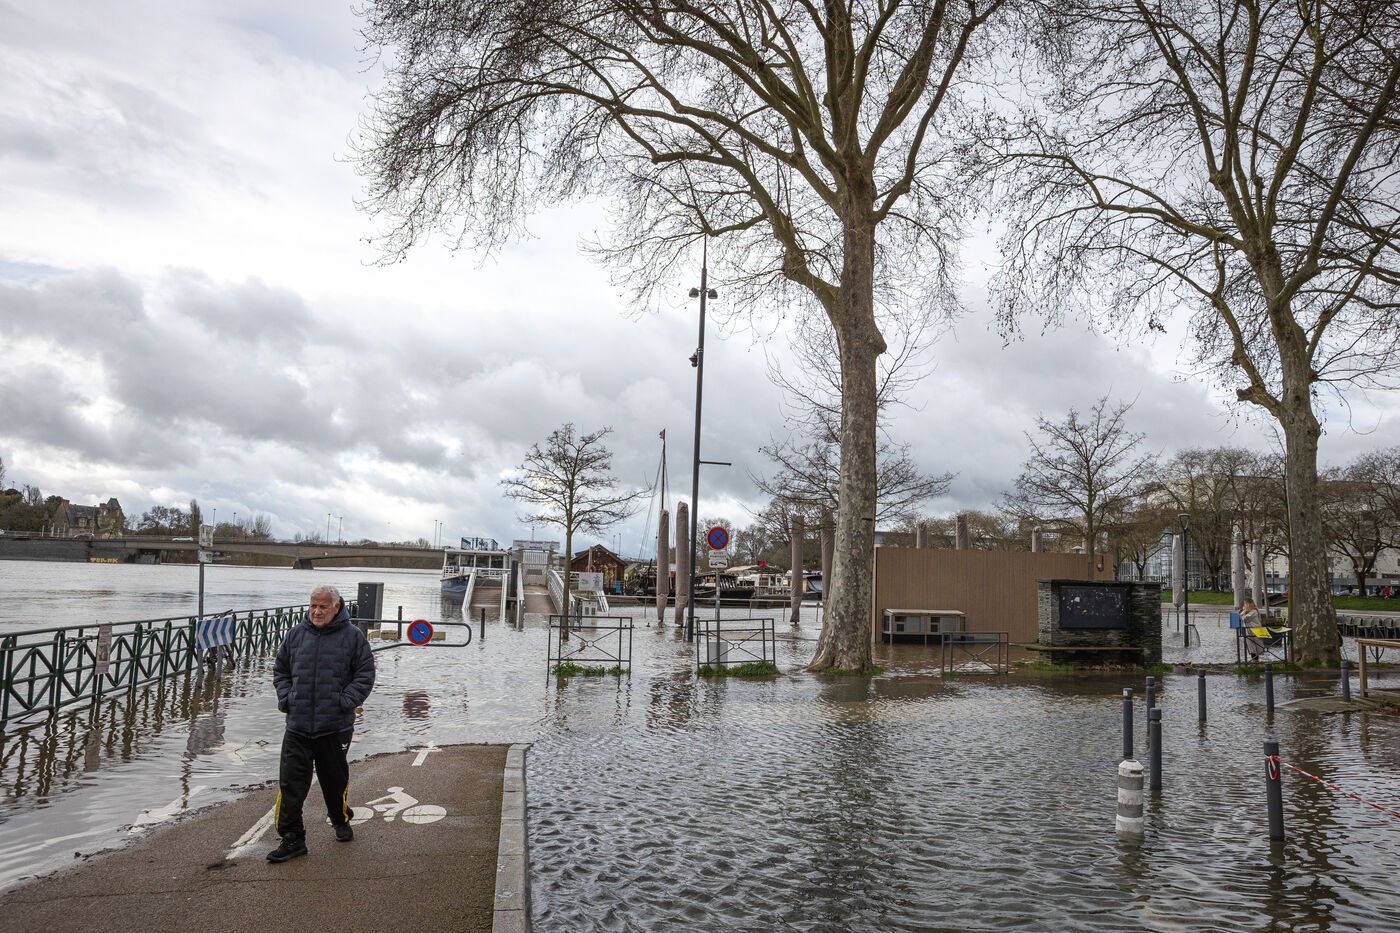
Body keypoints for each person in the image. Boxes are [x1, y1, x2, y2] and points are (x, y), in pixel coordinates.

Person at [266, 584, 376, 863]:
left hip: (335, 726)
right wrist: (286, 698)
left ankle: (339, 819)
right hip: (298, 725)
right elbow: (281, 670)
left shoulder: (353, 637)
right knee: (291, 785)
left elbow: (365, 675)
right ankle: (292, 839)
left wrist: (344, 701)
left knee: (333, 781)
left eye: (323, 607)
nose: (316, 611)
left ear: (336, 608)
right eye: (313, 605)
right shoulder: (295, 634)